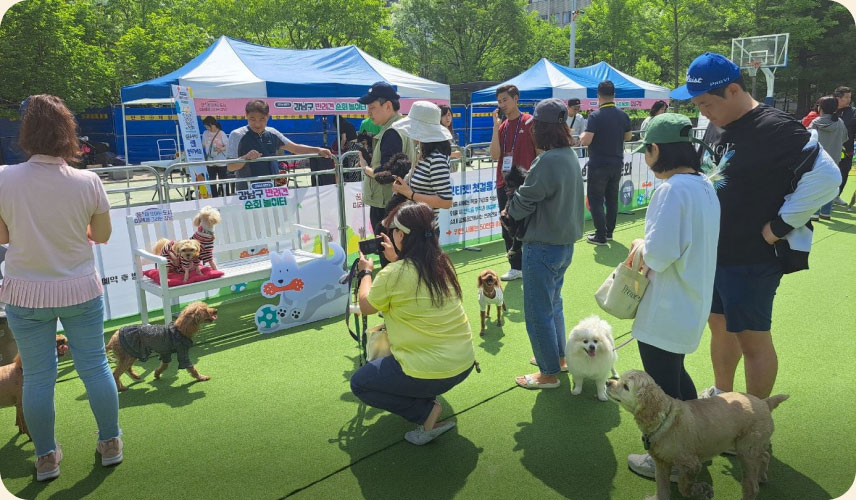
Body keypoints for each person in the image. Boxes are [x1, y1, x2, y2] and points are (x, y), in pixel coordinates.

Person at [674, 52, 840, 400]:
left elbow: (827, 176)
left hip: (752, 257)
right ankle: (723, 395)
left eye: (705, 103)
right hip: (714, 252)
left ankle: (753, 424)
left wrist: (780, 225)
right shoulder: (717, 121)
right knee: (718, 326)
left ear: (732, 90)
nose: (701, 110)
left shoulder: (777, 128)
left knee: (752, 338)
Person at [0, 95, 123, 481]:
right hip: (80, 289)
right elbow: (101, 235)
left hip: (24, 292)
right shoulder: (89, 180)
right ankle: (110, 444)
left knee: (37, 377)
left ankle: (46, 458)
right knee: (95, 366)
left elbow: (2, 235)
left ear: (26, 133)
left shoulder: (3, 177)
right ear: (68, 133)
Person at [621, 113, 721, 479]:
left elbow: (660, 254)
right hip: (690, 302)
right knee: (677, 380)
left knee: (662, 391)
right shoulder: (703, 185)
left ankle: (674, 460)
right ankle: (699, 444)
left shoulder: (671, 189)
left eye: (646, 150)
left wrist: (639, 243)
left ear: (656, 149)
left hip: (666, 307)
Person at [350, 202, 475, 445]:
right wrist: (397, 259)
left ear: (401, 235)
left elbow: (365, 306)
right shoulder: (443, 263)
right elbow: (413, 275)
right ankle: (425, 397)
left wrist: (366, 272)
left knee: (360, 383)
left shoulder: (394, 273)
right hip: (464, 363)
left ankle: (424, 412)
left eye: (394, 229)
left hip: (429, 370)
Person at [502, 98, 585, 389]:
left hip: (543, 244)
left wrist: (509, 210)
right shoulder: (568, 155)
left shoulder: (548, 159)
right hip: (564, 244)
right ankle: (558, 358)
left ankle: (548, 373)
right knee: (553, 304)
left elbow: (526, 199)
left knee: (538, 310)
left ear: (540, 128)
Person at [356, 82, 417, 246]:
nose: (368, 112)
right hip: (396, 200)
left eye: (372, 107)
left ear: (388, 106)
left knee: (387, 251)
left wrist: (365, 167)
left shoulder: (392, 132)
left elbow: (387, 173)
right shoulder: (401, 127)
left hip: (386, 204)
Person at [226, 99, 332, 191]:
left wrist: (318, 150)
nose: (257, 124)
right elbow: (230, 166)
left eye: (262, 119)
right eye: (252, 119)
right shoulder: (237, 135)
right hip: (247, 191)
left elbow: (295, 148)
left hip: (272, 189)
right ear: (246, 116)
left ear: (268, 117)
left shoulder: (272, 133)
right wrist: (245, 158)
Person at [489, 84, 537, 281]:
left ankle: (531, 264)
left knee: (531, 225)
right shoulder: (502, 127)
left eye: (505, 100)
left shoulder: (529, 122)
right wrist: (495, 126)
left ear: (516, 98)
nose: (502, 105)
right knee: (507, 226)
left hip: (527, 184)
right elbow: (494, 156)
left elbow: (539, 151)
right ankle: (515, 266)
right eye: (499, 101)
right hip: (504, 183)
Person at [580, 80, 632, 246]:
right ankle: (609, 232)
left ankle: (600, 235)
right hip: (616, 163)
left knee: (596, 200)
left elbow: (587, 140)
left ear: (598, 96)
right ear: (614, 95)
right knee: (611, 199)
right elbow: (629, 137)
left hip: (598, 164)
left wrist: (581, 136)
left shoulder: (595, 116)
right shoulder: (623, 115)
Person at [390, 101, 454, 222]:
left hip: (424, 229)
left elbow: (446, 201)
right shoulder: (423, 152)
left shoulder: (436, 158)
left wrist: (410, 194)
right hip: (415, 224)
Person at [808, 95, 848, 220]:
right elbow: (844, 138)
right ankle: (826, 212)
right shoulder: (840, 123)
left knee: (815, 186)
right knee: (830, 187)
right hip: (834, 160)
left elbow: (808, 139)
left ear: (821, 107)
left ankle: (814, 212)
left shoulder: (816, 122)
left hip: (817, 160)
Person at [832, 86, 855, 205]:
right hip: (829, 149)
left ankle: (837, 196)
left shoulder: (853, 112)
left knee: (844, 172)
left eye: (850, 97)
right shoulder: (828, 108)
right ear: (838, 98)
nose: (849, 100)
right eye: (846, 97)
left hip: (847, 150)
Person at [201, 116, 229, 197]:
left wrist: (220, 149)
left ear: (211, 124)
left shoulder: (221, 133)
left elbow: (227, 145)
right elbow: (203, 144)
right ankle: (214, 196)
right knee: (212, 180)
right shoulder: (205, 133)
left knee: (223, 179)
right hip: (210, 160)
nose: (206, 128)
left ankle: (225, 195)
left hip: (221, 160)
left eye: (206, 125)